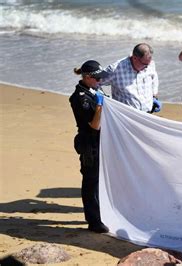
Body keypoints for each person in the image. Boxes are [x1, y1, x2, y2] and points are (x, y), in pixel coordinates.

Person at [69, 60, 109, 233]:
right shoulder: (80, 98)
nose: (100, 81)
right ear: (86, 78)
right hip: (89, 143)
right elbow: (94, 125)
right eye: (97, 78)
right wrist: (100, 106)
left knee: (101, 181)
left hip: (101, 141)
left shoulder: (95, 90)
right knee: (91, 181)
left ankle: (103, 215)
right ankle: (94, 221)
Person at [101, 43, 161, 113]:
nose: (147, 67)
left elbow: (154, 79)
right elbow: (94, 83)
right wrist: (104, 99)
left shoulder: (149, 64)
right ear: (135, 58)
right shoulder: (115, 69)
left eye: (149, 63)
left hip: (147, 115)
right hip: (126, 116)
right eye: (145, 64)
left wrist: (154, 96)